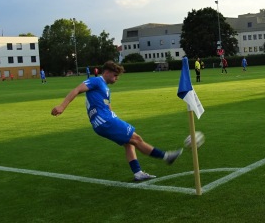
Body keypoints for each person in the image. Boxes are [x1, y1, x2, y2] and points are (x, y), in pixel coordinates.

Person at [50, 61, 182, 181]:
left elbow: (107, 105)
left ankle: (138, 173)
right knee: (136, 139)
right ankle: (166, 156)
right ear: (106, 72)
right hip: (104, 120)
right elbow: (77, 89)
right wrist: (62, 106)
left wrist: (115, 117)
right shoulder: (96, 81)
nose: (116, 79)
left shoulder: (105, 89)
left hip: (105, 120)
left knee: (129, 143)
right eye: (115, 75)